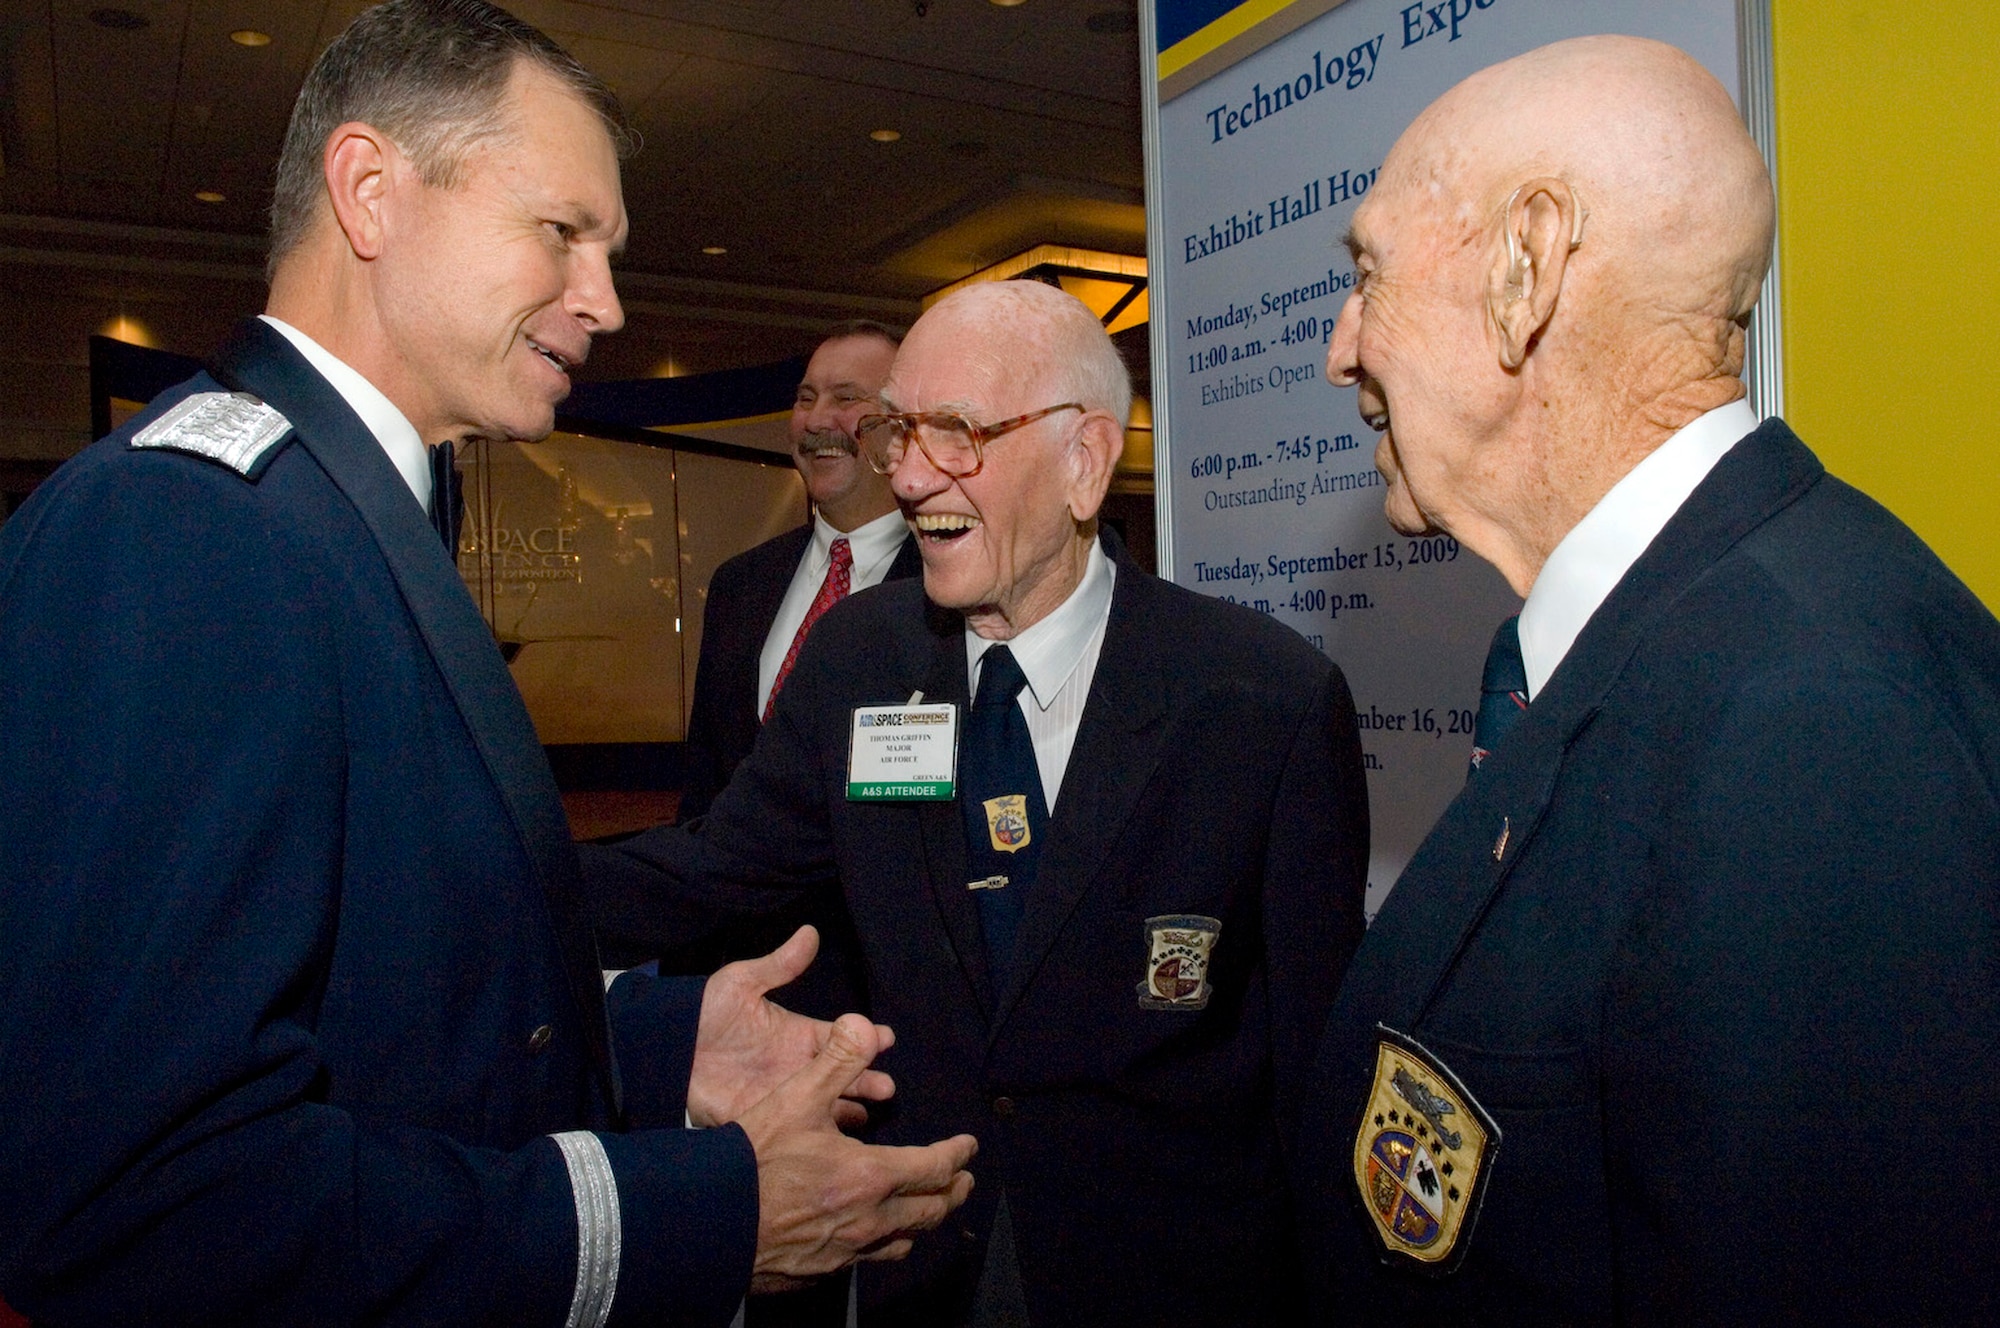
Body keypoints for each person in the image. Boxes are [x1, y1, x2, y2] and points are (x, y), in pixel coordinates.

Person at [0, 2, 974, 1322]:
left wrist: (656, 1040)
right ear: (369, 192)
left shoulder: (337, 513)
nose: (607, 302)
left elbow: (384, 1009)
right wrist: (693, 1214)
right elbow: (149, 1199)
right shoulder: (190, 528)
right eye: (563, 233)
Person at [1297, 34, 2000, 1322]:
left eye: (1367, 275)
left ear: (1530, 265)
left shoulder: (1814, 717)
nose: (1341, 348)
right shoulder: (1650, 634)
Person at [586, 279, 1370, 1325]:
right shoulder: (859, 659)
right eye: (900, 430)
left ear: (1083, 460)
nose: (908, 475)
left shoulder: (1258, 699)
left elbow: (1315, 1066)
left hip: (1173, 1272)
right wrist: (472, 884)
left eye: (954, 433)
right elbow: (706, 867)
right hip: (926, 1256)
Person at [679, 320, 921, 824]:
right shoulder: (739, 586)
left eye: (846, 398)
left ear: (902, 425)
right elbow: (705, 783)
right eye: (805, 398)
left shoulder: (949, 590)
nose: (816, 421)